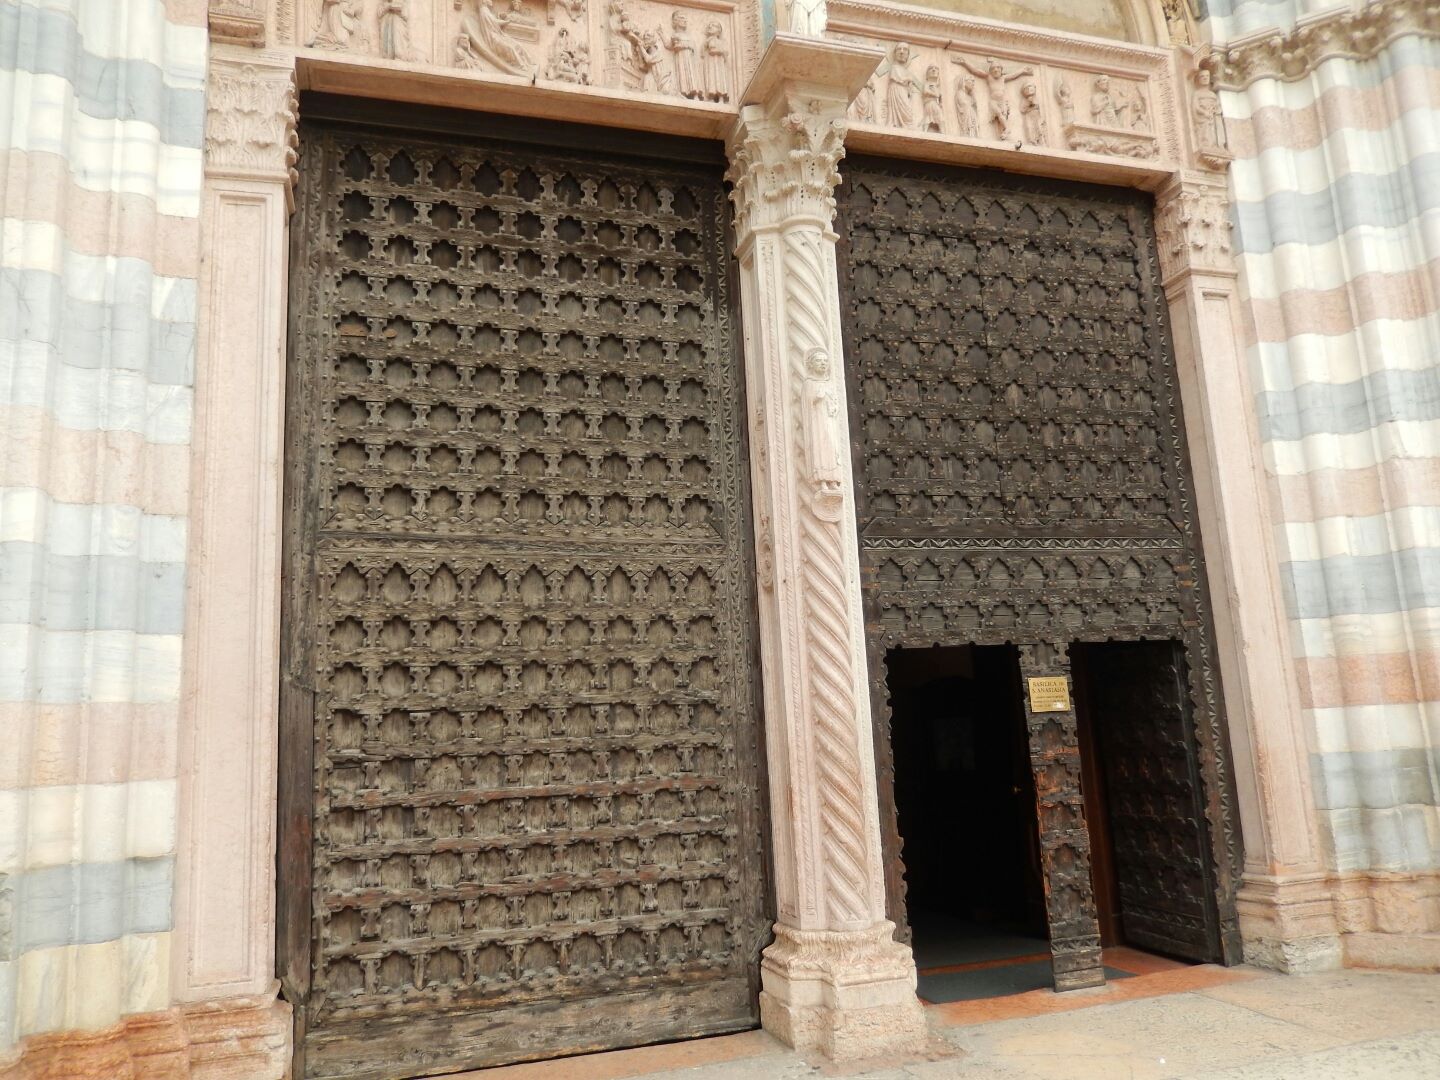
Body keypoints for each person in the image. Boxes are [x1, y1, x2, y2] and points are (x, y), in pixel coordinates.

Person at [955, 55, 1033, 140]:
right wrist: (965, 63)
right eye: (993, 69)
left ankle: (1003, 134)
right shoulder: (989, 77)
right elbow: (976, 71)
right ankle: (1007, 128)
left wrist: (1022, 71)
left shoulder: (1003, 78)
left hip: (1002, 101)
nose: (996, 70)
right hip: (993, 101)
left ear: (1001, 70)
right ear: (990, 71)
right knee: (999, 113)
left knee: (1002, 117)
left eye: (998, 68)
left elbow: (1013, 75)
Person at [665, 12, 701, 99]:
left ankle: (695, 94)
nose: (685, 20)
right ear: (675, 21)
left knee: (692, 75)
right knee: (682, 74)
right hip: (681, 58)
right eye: (682, 18)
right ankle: (683, 93)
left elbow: (693, 48)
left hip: (690, 60)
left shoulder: (689, 36)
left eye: (685, 18)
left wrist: (684, 46)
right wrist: (661, 34)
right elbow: (669, 46)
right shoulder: (675, 35)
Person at [700, 22, 732, 103]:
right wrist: (707, 43)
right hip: (710, 64)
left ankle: (721, 97)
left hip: (719, 64)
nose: (710, 27)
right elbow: (702, 53)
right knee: (711, 79)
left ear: (719, 30)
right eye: (709, 26)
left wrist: (718, 51)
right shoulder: (706, 42)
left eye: (713, 26)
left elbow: (725, 52)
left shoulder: (721, 42)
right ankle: (711, 97)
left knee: (719, 79)